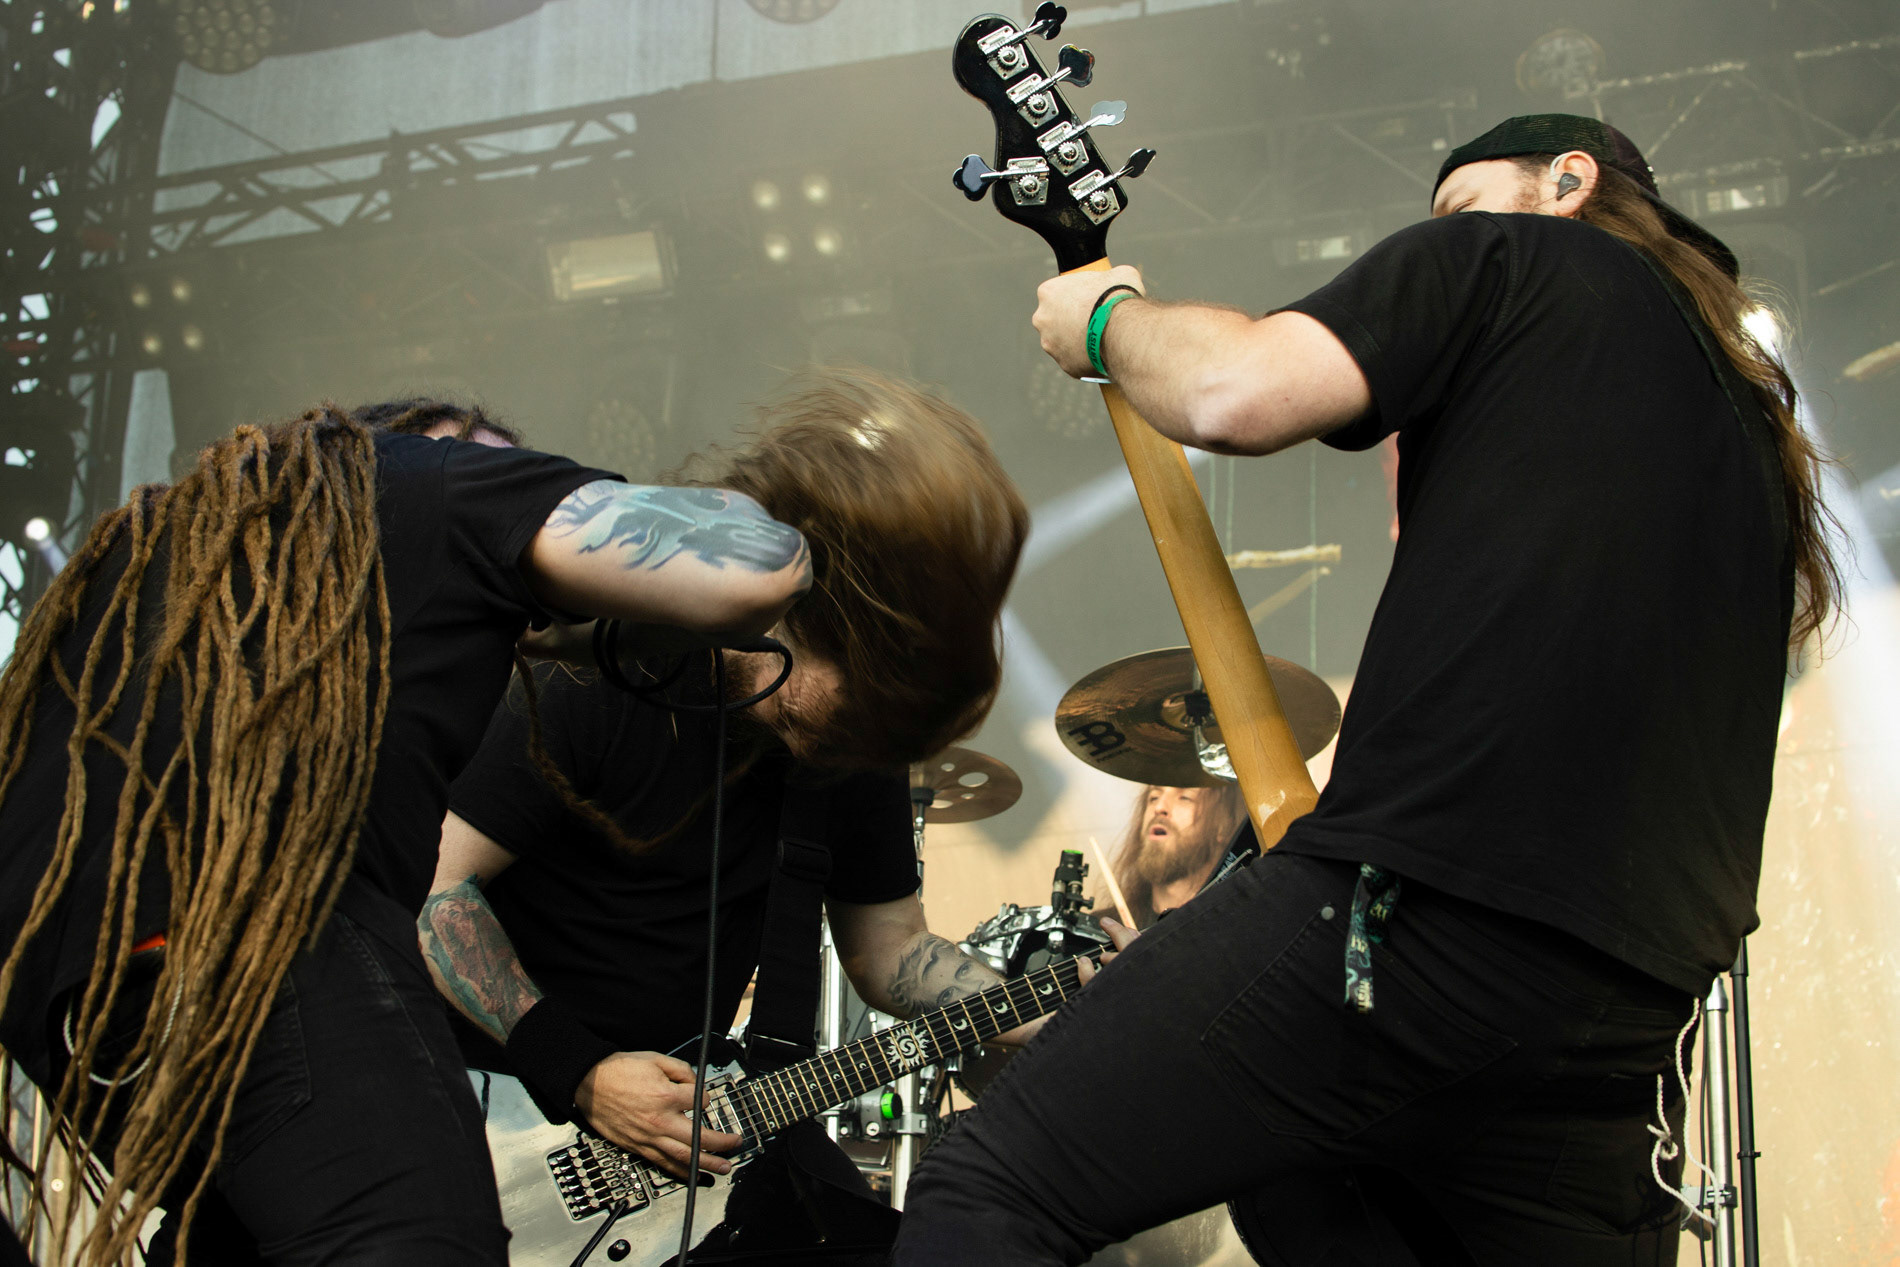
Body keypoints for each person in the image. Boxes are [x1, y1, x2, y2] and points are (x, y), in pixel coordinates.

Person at [894, 113, 1840, 1265]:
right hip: (1626, 1010)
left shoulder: (1513, 256)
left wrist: (1104, 316)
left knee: (993, 1180)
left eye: (1457, 206)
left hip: (1423, 922)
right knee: (1311, 1203)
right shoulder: (1750, 431)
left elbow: (1233, 392)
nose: (1441, 228)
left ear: (1567, 181)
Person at [0, 398, 813, 1265]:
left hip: (78, 993)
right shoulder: (430, 474)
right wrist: (784, 503)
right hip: (255, 933)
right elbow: (755, 568)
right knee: (422, 1238)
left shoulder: (188, 540)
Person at [417, 371, 1034, 1256]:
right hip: (504, 1117)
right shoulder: (599, 670)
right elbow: (433, 890)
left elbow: (889, 949)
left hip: (684, 1146)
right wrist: (580, 1072)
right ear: (799, 616)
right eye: (853, 697)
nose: (861, 737)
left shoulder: (861, 732)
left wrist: (1060, 1007)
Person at [1096, 783, 1248, 930]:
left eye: (1185, 797)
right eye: (1154, 797)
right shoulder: (1103, 929)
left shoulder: (1236, 932)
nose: (1159, 807)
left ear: (1224, 825)